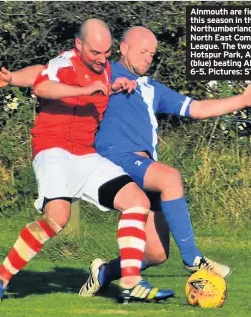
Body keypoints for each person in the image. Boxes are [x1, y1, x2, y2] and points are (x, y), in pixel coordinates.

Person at [0, 19, 175, 305]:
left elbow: (51, 74)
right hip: (53, 149)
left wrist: (116, 85)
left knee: (137, 201)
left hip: (86, 153)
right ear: (79, 45)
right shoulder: (66, 63)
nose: (101, 59)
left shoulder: (106, 69)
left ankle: (131, 281)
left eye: (107, 53)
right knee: (57, 219)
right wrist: (83, 90)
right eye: (95, 53)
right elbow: (43, 85)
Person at [78, 26, 251, 297]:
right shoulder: (104, 73)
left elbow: (196, 108)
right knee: (170, 177)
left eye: (152, 54)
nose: (148, 58)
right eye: (142, 51)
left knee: (156, 254)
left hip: (146, 172)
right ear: (123, 48)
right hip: (115, 161)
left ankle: (104, 273)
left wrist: (242, 100)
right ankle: (193, 258)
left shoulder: (151, 89)